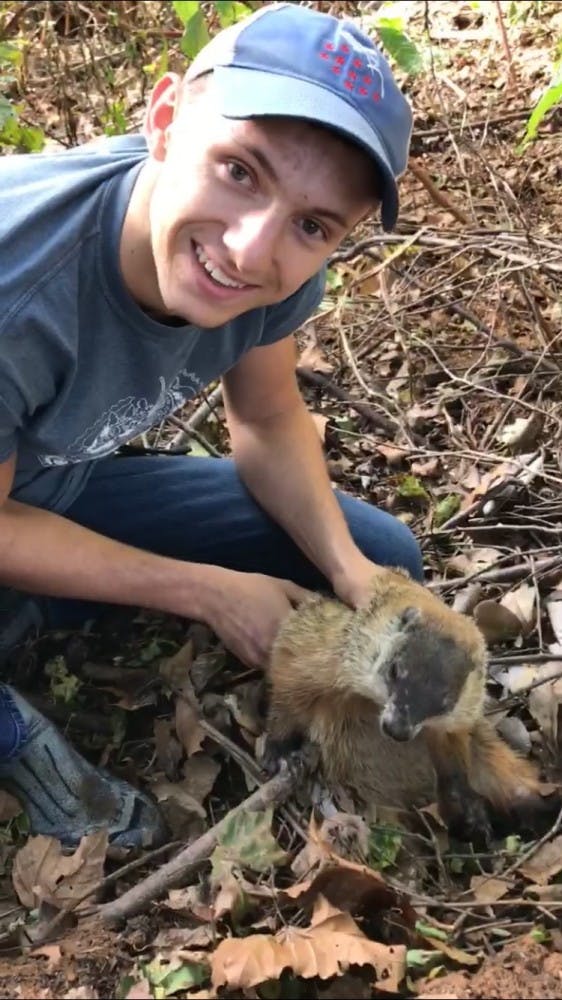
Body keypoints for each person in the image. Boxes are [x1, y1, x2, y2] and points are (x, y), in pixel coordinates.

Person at [0, 1, 420, 849]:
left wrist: (352, 573)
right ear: (164, 122)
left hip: (41, 478)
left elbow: (266, 416)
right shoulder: (21, 284)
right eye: (239, 170)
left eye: (312, 224)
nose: (251, 248)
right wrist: (204, 589)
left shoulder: (275, 271)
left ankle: (33, 601)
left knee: (386, 555)